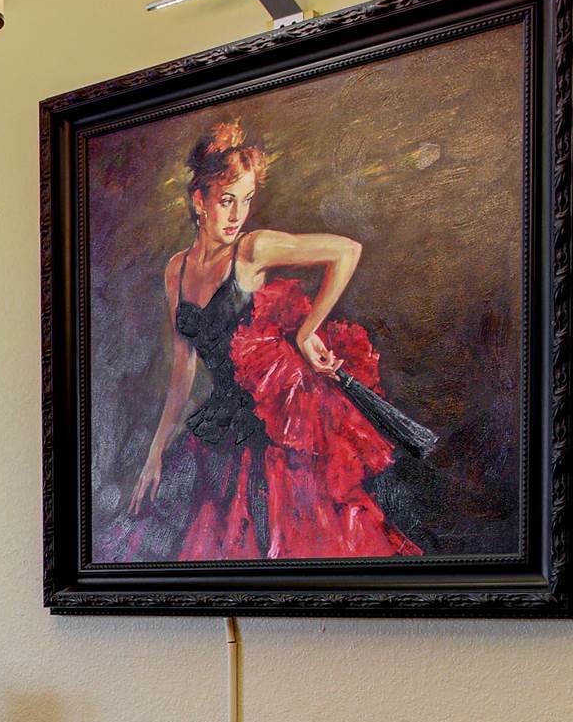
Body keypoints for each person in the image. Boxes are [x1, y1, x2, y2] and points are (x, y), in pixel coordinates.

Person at [116, 120, 420, 561]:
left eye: (246, 200)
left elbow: (346, 251)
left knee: (287, 539)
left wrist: (308, 329)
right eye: (226, 201)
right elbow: (182, 370)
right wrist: (155, 451)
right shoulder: (175, 271)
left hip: (272, 427)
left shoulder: (252, 250)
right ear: (199, 200)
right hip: (223, 426)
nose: (238, 215)